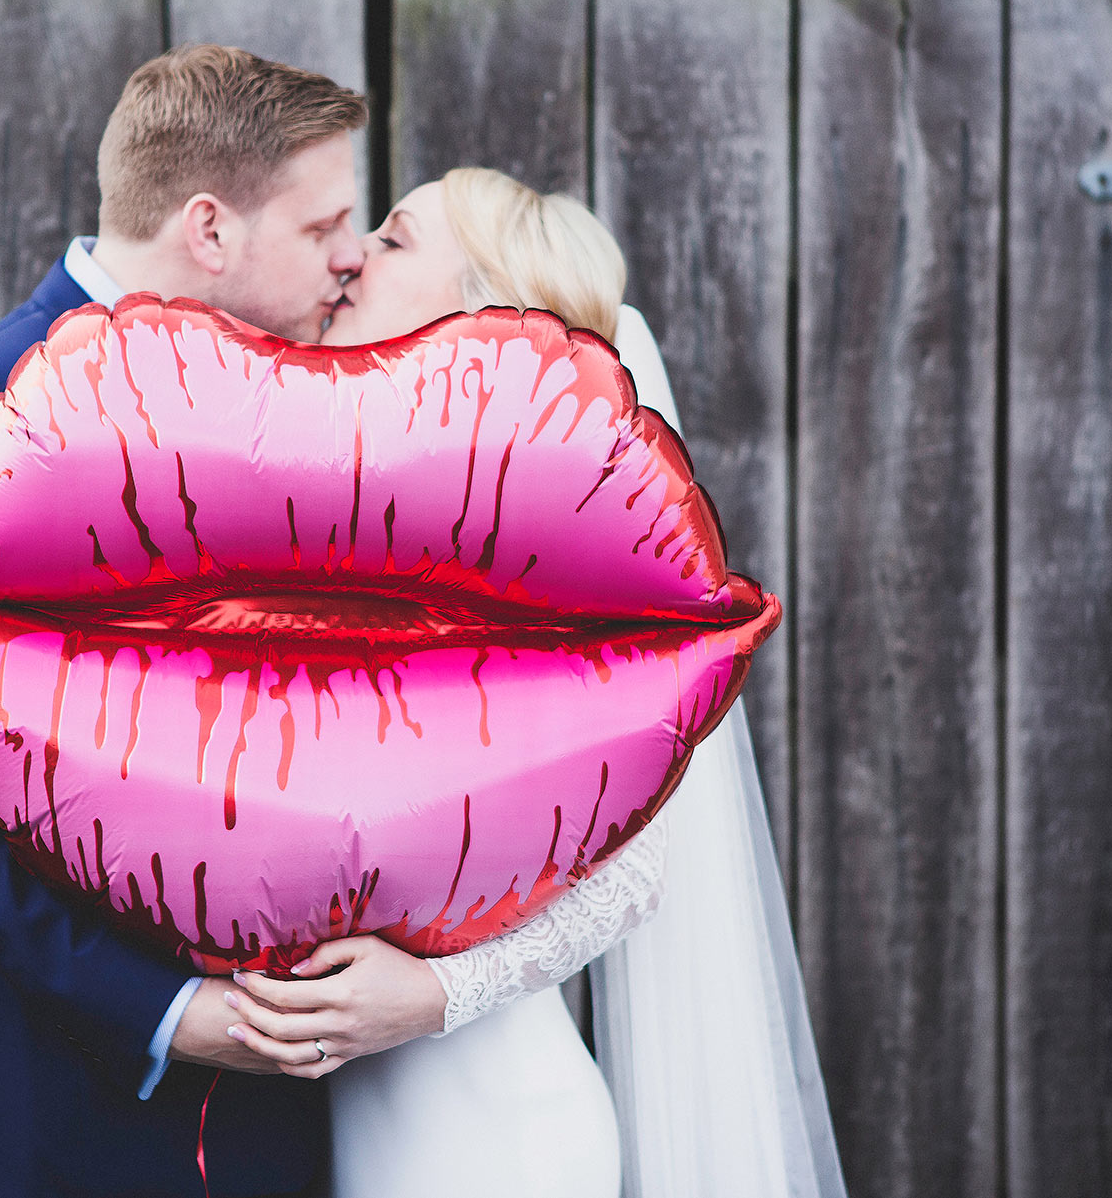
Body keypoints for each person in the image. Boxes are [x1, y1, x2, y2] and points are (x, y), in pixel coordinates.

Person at [221, 169, 849, 1198]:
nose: (351, 257)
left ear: (477, 308)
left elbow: (639, 871)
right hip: (324, 1128)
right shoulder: (349, 514)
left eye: (392, 238)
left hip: (489, 1140)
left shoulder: (545, 556)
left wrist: (430, 993)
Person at [0, 43, 394, 1198]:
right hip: (55, 1098)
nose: (351, 259)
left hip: (277, 1106)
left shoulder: (305, 394)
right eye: (322, 229)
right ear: (208, 228)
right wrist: (165, 1011)